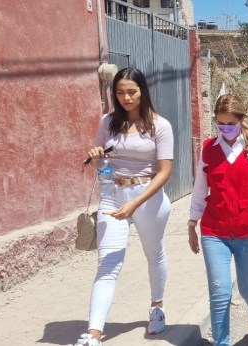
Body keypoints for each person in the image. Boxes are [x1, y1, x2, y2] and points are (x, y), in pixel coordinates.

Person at [74, 67, 174, 346]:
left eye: (132, 92)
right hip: (112, 194)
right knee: (107, 264)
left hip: (148, 196)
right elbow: (101, 164)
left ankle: (157, 308)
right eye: (120, 93)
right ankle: (93, 332)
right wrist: (96, 159)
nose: (126, 98)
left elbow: (165, 171)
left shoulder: (159, 126)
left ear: (143, 91)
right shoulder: (107, 122)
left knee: (154, 254)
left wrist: (136, 202)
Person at [186, 94, 248, 346]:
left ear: (241, 120)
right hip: (215, 231)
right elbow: (199, 189)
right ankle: (222, 342)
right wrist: (192, 224)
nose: (225, 128)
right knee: (220, 291)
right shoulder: (209, 149)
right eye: (220, 123)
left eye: (230, 123)